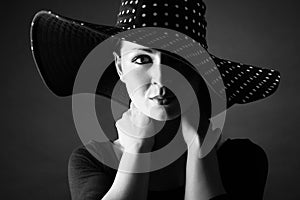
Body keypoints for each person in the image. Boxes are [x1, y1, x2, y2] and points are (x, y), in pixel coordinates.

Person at [29, 0, 281, 199]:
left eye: (178, 61)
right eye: (142, 59)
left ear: (199, 69)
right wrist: (138, 147)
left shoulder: (243, 160)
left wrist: (199, 146)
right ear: (119, 65)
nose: (161, 78)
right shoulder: (91, 162)